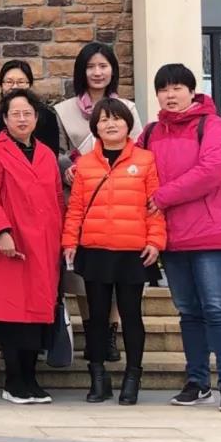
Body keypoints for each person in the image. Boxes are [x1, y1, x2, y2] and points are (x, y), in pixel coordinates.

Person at [139, 63, 221, 413]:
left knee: (219, 310)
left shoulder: (211, 125)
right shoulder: (151, 133)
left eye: (177, 88)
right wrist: (78, 164)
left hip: (213, 235)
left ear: (191, 91)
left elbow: (213, 169)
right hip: (173, 238)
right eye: (163, 89)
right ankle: (197, 382)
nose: (170, 95)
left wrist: (164, 196)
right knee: (188, 313)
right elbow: (128, 162)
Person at [62, 98, 166, 405]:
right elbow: (76, 208)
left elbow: (154, 206)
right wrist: (69, 242)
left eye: (116, 119)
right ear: (95, 127)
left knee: (131, 316)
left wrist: (155, 241)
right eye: (104, 119)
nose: (110, 124)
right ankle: (98, 377)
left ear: (128, 124)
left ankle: (133, 377)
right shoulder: (84, 164)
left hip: (133, 250)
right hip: (95, 249)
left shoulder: (145, 160)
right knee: (96, 317)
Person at [0, 89, 64, 405]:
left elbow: (57, 198)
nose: (22, 119)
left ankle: (31, 378)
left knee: (38, 312)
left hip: (44, 243)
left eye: (27, 114)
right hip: (9, 242)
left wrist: (63, 238)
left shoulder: (47, 154)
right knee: (10, 312)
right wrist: (2, 232)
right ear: (5, 119)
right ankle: (14, 380)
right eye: (15, 114)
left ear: (36, 118)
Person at [55, 43, 142, 362]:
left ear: (112, 70)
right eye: (91, 66)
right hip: (81, 200)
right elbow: (56, 151)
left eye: (103, 66)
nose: (97, 72)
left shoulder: (128, 108)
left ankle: (110, 334)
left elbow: (139, 149)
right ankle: (92, 330)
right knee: (82, 272)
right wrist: (67, 168)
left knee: (118, 269)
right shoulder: (63, 110)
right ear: (81, 71)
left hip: (121, 203)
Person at [0, 60, 61, 155]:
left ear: (29, 85)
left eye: (21, 82)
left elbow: (52, 155)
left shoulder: (47, 117)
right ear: (1, 85)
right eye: (9, 82)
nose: (14, 87)